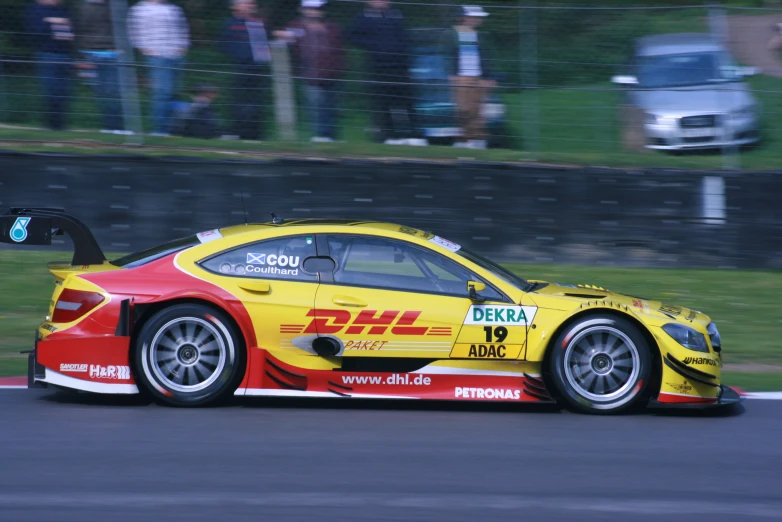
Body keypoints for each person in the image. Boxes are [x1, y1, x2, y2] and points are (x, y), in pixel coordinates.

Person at [346, 0, 427, 146]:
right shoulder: (363, 17)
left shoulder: (396, 15)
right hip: (379, 68)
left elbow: (405, 37)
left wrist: (405, 57)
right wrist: (374, 46)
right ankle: (390, 136)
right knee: (384, 103)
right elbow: (350, 36)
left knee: (407, 101)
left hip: (400, 67)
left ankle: (413, 135)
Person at [275, 0, 344, 143]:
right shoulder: (297, 26)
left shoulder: (331, 27)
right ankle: (320, 135)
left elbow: (340, 48)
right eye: (310, 8)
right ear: (303, 9)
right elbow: (280, 35)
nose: (314, 12)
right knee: (316, 107)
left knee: (333, 108)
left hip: (333, 74)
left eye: (317, 9)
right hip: (311, 75)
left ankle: (332, 137)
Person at [127, 0, 190, 136]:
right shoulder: (139, 9)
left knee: (174, 93)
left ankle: (175, 129)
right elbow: (134, 33)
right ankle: (159, 130)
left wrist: (182, 48)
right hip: (156, 57)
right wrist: (146, 50)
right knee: (162, 93)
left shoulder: (173, 9)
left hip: (176, 56)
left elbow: (183, 29)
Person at [439, 5, 496, 149]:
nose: (478, 20)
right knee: (463, 110)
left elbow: (486, 58)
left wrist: (489, 77)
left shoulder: (480, 36)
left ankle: (478, 139)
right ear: (463, 18)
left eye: (479, 17)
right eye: (474, 17)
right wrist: (452, 74)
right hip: (461, 77)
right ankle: (463, 139)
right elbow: (447, 55)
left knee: (478, 109)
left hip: (479, 77)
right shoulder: (450, 34)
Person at [219, 0, 272, 141]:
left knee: (256, 103)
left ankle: (254, 135)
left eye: (251, 3)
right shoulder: (230, 23)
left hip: (257, 70)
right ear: (235, 6)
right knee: (239, 101)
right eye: (246, 3)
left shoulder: (257, 23)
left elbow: (264, 46)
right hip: (240, 68)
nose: (250, 5)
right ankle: (238, 132)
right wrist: (241, 56)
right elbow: (224, 45)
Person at [76, 0, 126, 134]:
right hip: (91, 52)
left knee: (114, 91)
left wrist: (120, 47)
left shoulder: (114, 6)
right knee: (101, 92)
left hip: (112, 53)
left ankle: (117, 127)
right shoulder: (83, 6)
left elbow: (121, 27)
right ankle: (109, 126)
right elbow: (79, 27)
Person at [25, 0, 75, 131]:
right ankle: (52, 125)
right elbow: (35, 30)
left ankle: (61, 125)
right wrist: (51, 21)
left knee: (63, 91)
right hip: (47, 54)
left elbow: (69, 28)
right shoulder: (35, 9)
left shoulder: (61, 9)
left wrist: (55, 22)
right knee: (51, 90)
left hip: (64, 54)